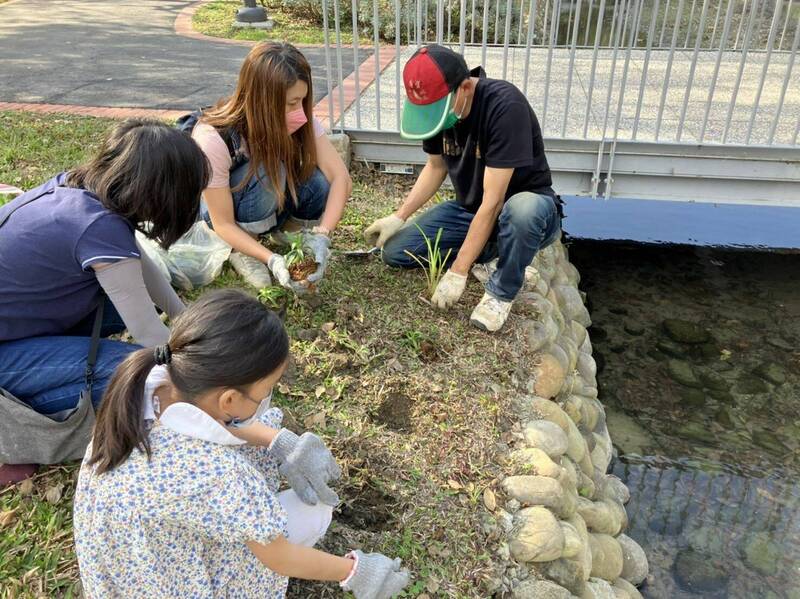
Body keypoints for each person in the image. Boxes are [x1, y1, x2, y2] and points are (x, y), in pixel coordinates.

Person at [73, 289, 410, 598]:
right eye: (265, 391)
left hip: (128, 574)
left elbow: (204, 424)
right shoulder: (221, 475)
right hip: (178, 583)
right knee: (315, 511)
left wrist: (279, 441)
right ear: (229, 399)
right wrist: (356, 571)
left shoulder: (142, 390)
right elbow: (280, 557)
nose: (267, 400)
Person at [0, 119, 209, 482]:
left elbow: (135, 265)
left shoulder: (81, 190)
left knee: (123, 316)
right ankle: (11, 434)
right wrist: (210, 375)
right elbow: (148, 334)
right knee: (138, 375)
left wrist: (184, 315)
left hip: (14, 326)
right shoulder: (98, 227)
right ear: (164, 191)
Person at [365, 44, 562, 332]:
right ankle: (494, 255)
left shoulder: (505, 107)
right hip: (469, 210)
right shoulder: (438, 112)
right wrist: (399, 216)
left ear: (466, 87)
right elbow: (435, 167)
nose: (436, 118)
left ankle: (501, 292)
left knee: (523, 210)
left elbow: (494, 203)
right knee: (395, 252)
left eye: (439, 108)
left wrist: (458, 271)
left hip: (524, 210)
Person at [191, 42, 352, 291]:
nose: (300, 113)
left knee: (318, 183)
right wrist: (271, 259)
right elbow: (222, 222)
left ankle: (290, 234)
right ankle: (243, 250)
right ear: (261, 101)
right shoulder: (213, 137)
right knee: (269, 172)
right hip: (225, 215)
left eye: (302, 100)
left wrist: (323, 235)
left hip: (268, 202)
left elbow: (340, 178)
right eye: (291, 104)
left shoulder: (299, 121)